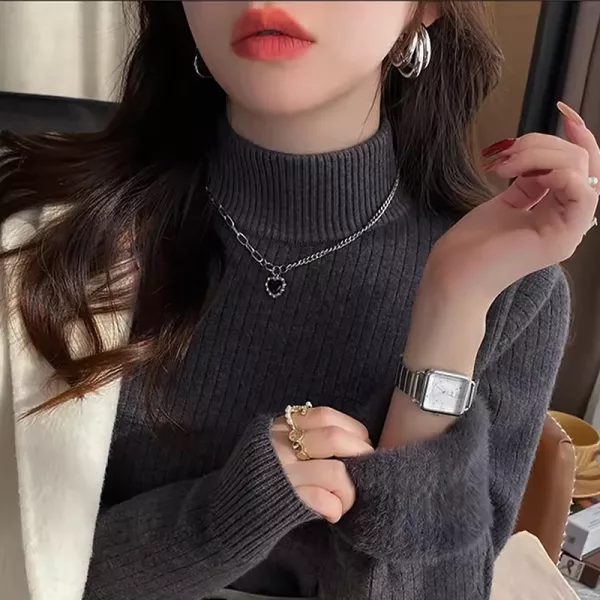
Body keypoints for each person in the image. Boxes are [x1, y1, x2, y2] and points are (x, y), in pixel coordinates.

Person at [0, 1, 598, 599]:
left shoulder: (509, 289)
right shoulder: (39, 236)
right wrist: (221, 521)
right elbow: (21, 569)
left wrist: (451, 312)